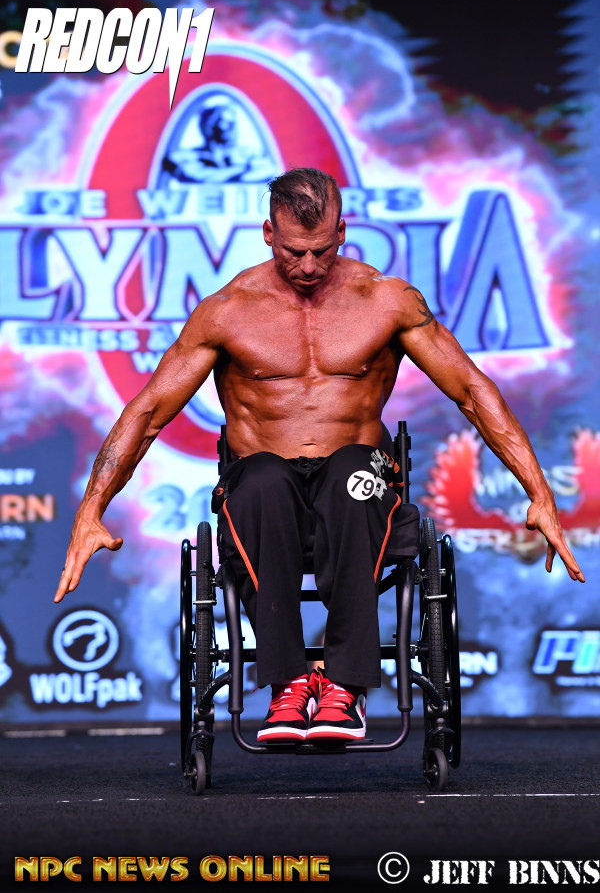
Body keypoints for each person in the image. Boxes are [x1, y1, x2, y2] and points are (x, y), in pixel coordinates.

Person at [54, 167, 585, 743]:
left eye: (321, 250)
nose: (308, 266)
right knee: (261, 479)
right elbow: (149, 412)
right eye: (293, 252)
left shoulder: (387, 301)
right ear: (268, 234)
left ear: (341, 233)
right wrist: (91, 511)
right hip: (262, 485)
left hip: (359, 479)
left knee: (354, 473)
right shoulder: (227, 311)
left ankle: (344, 688)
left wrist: (539, 494)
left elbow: (472, 392)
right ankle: (286, 685)